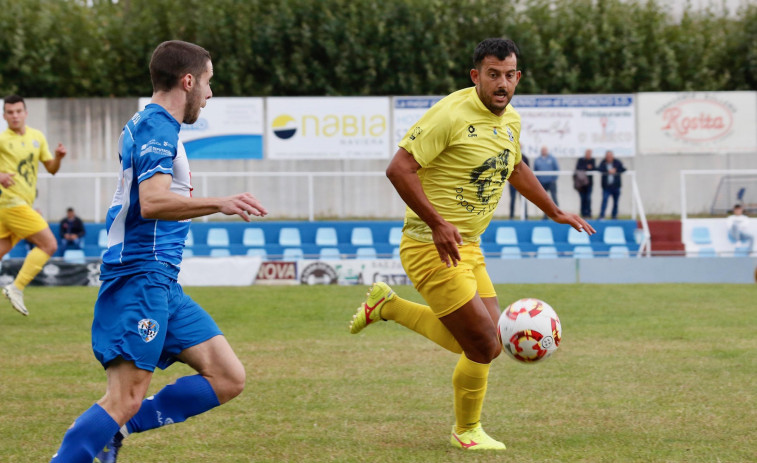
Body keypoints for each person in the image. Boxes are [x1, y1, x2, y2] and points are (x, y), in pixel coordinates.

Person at [348, 38, 594, 451]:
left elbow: (514, 167)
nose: (502, 83)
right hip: (431, 243)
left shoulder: (511, 119)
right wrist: (438, 223)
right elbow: (399, 169)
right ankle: (466, 431)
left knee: (488, 341)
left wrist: (554, 210)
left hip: (469, 245)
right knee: (482, 343)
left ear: (518, 77)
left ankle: (388, 305)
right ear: (475, 76)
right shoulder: (450, 115)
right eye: (493, 74)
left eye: (509, 75)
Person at [50, 40, 268, 463]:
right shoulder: (157, 127)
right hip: (140, 276)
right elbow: (152, 202)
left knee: (227, 376)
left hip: (161, 281)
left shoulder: (153, 125)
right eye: (207, 83)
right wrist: (219, 203)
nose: (209, 94)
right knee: (123, 398)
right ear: (187, 81)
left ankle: (117, 429)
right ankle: (103, 429)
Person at [0, 94, 67, 316]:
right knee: (49, 245)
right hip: (11, 203)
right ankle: (16, 288)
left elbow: (52, 169)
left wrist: (58, 157)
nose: (15, 116)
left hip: (16, 206)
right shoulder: (2, 139)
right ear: (4, 115)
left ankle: (15, 288)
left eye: (18, 111)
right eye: (10, 112)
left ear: (26, 113)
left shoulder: (37, 137)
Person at [598, 150, 626, 220]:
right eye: (608, 156)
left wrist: (615, 170)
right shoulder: (603, 163)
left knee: (616, 202)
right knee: (604, 200)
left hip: (616, 186)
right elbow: (599, 169)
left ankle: (614, 216)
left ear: (612, 156)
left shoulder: (617, 162)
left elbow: (623, 169)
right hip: (606, 187)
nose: (609, 157)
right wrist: (608, 171)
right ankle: (602, 216)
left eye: (610, 156)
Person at [532, 145, 559, 218]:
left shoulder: (552, 159)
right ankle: (545, 216)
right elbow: (535, 171)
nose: (544, 151)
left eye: (545, 150)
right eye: (542, 150)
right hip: (542, 183)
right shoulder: (537, 160)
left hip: (551, 182)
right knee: (544, 200)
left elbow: (557, 169)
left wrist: (554, 179)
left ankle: (557, 214)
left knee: (554, 198)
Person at [574, 149, 596, 218]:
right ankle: (583, 214)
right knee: (582, 199)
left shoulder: (592, 160)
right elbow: (578, 168)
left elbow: (594, 168)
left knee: (588, 199)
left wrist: (587, 168)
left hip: (589, 184)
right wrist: (587, 167)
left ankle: (588, 213)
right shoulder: (581, 160)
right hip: (581, 184)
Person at [508, 153, 529, 219]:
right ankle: (511, 216)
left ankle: (525, 216)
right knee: (512, 199)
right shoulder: (510, 157)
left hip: (522, 183)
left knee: (523, 199)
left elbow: (528, 170)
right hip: (512, 183)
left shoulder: (525, 157)